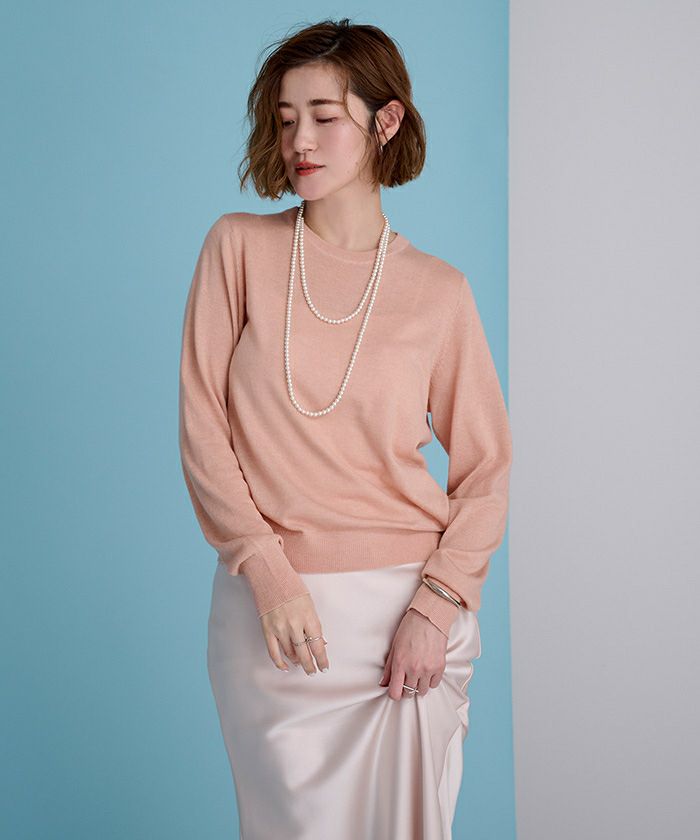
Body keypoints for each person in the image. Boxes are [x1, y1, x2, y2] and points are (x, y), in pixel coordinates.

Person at [178, 17, 513, 840]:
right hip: (273, 622)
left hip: (405, 619)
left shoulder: (439, 291)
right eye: (286, 118)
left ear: (384, 121)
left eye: (324, 116)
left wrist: (435, 607)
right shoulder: (237, 250)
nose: (300, 139)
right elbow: (203, 430)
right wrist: (269, 575)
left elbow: (487, 471)